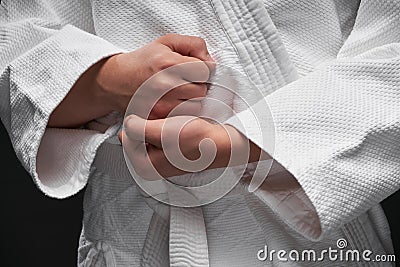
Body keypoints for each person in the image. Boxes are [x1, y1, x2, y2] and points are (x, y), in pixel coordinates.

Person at [1, 0, 399, 266]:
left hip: (313, 223)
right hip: (135, 232)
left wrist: (243, 143)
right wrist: (106, 79)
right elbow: (13, 30)